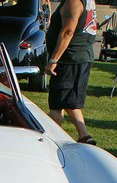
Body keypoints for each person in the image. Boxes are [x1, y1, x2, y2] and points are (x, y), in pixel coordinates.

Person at [45, 0, 98, 145]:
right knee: (69, 100)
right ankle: (84, 136)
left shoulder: (73, 2)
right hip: (80, 55)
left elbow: (68, 31)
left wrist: (54, 59)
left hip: (70, 58)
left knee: (58, 102)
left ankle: (53, 139)